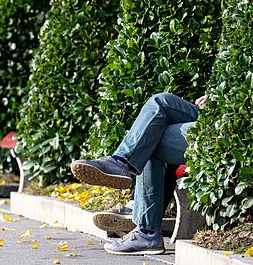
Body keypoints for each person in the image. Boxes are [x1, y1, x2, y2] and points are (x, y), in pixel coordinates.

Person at [70, 93, 206, 255]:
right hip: (212, 113)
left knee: (151, 137)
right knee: (161, 102)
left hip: (228, 122)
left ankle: (146, 230)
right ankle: (121, 165)